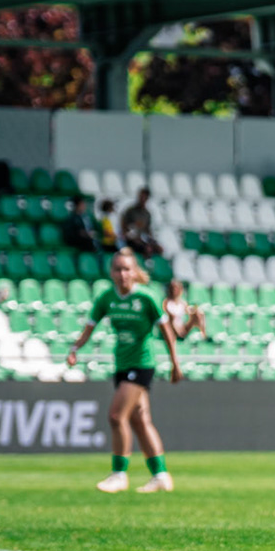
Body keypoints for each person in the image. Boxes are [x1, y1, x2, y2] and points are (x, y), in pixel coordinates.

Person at [65, 249, 182, 494]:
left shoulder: (147, 298)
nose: (122, 274)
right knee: (140, 420)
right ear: (111, 273)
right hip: (121, 364)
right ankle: (160, 475)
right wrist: (75, 348)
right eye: (117, 269)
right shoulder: (107, 298)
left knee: (117, 416)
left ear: (134, 271)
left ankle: (119, 474)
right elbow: (90, 328)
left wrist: (175, 363)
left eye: (126, 269)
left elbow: (167, 332)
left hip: (142, 364)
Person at [119, 188, 160, 256]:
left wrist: (151, 240)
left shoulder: (147, 214)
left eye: (143, 197)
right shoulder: (130, 211)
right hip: (131, 239)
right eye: (140, 197)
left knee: (159, 249)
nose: (141, 199)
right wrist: (127, 235)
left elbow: (148, 230)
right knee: (146, 249)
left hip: (142, 239)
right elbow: (124, 225)